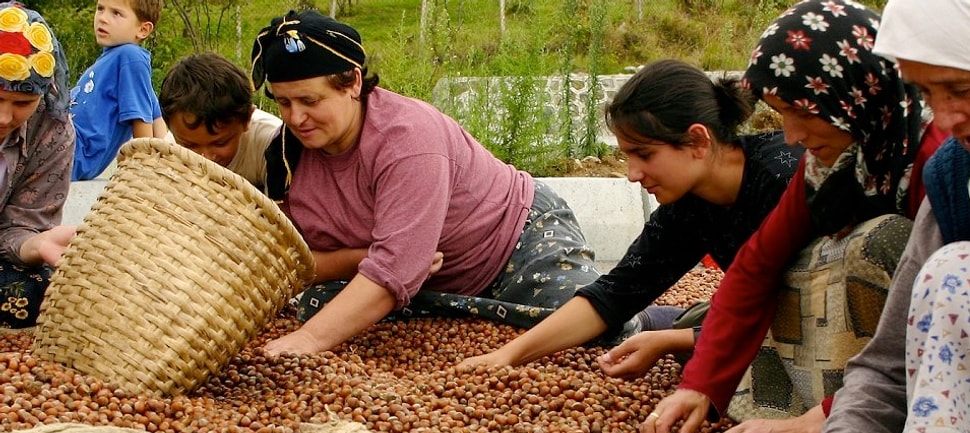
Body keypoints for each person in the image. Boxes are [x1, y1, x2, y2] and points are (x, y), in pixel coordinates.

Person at [641, 0, 948, 433]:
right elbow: (756, 265)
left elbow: (939, 329)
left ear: (854, 93)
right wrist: (699, 382)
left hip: (932, 363)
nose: (791, 135)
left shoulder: (941, 162)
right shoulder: (832, 164)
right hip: (876, 372)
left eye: (803, 112)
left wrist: (816, 426)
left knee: (885, 240)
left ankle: (879, 428)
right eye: (781, 114)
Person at [249, 10, 600, 356]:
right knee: (315, 305)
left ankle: (648, 321)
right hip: (428, 286)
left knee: (593, 326)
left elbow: (395, 269)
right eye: (283, 102)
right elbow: (293, 261)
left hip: (515, 244)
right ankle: (473, 315)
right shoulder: (285, 157)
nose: (296, 117)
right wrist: (366, 259)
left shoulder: (408, 139)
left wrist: (309, 341)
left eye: (310, 101)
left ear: (353, 82)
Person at [777, 1, 970, 433]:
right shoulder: (960, 178)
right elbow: (889, 361)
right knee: (954, 273)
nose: (945, 119)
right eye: (926, 94)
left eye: (962, 89)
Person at [456, 59, 803, 370]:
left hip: (813, 322)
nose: (632, 174)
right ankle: (679, 322)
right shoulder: (688, 205)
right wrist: (507, 356)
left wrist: (670, 342)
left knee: (714, 352)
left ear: (698, 140)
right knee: (700, 336)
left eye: (644, 155)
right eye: (627, 156)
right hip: (758, 312)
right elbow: (614, 295)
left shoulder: (785, 178)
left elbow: (801, 314)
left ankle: (676, 325)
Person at [0, 3, 76, 328]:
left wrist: (37, 244)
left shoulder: (54, 132)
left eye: (22, 104)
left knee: (35, 291)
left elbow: (19, 225)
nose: (4, 118)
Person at [159, 52, 283, 195]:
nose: (204, 158)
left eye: (220, 143)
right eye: (189, 146)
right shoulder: (168, 152)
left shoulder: (271, 143)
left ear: (247, 118)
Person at [70, 0, 165, 181]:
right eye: (100, 9)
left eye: (116, 13)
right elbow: (156, 116)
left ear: (143, 30)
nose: (103, 19)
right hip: (66, 147)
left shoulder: (130, 57)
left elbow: (142, 119)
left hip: (74, 154)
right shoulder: (114, 59)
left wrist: (145, 173)